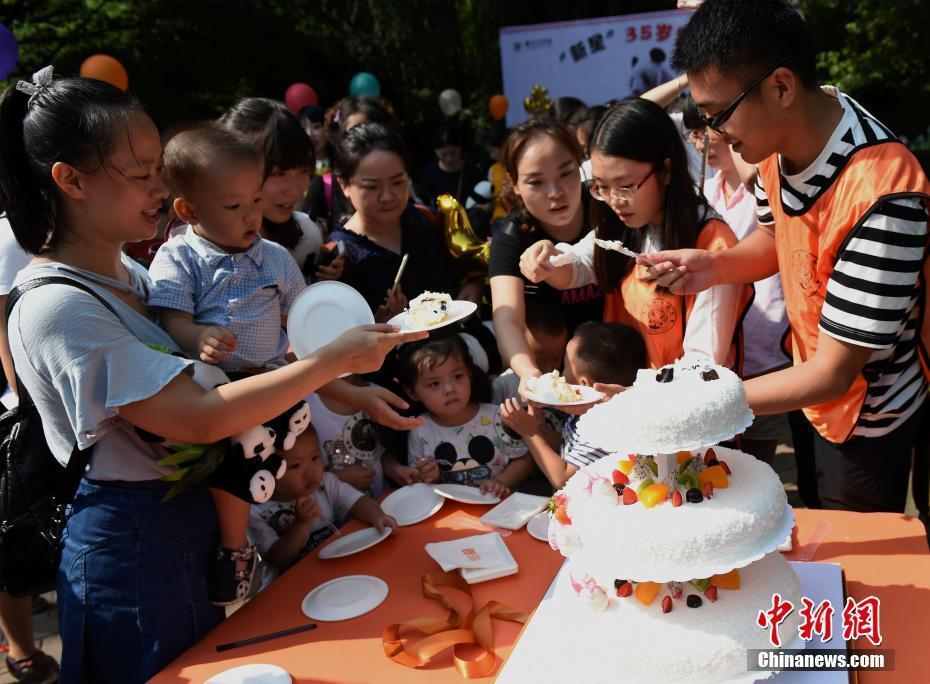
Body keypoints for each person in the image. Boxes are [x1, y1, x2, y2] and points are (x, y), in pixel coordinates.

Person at [0, 67, 424, 681]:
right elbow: (199, 417)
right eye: (141, 171)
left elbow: (254, 373)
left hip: (184, 529)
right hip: (133, 547)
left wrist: (354, 387)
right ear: (70, 180)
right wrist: (330, 359)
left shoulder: (132, 276)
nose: (160, 184)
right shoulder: (56, 305)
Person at [644, 0, 930, 513]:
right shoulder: (778, 143)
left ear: (780, 86)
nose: (715, 135)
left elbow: (836, 372)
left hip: (866, 414)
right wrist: (711, 266)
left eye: (718, 115)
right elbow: (779, 242)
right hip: (804, 388)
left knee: (850, 561)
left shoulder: (887, 194)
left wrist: (701, 403)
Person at [148, 123, 314, 604]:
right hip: (219, 390)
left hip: (271, 379)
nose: (251, 217)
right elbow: (171, 320)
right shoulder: (179, 256)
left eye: (255, 201)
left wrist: (304, 343)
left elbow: (300, 312)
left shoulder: (275, 257)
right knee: (236, 463)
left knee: (266, 446)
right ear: (188, 209)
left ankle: (278, 433)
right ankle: (235, 548)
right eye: (233, 206)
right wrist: (197, 335)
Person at [521, 98, 751, 370]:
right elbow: (579, 265)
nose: (614, 200)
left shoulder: (712, 244)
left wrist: (632, 395)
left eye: (626, 186)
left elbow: (702, 364)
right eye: (602, 187)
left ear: (665, 171)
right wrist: (549, 259)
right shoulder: (623, 226)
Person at [683, 103, 792, 464]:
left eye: (710, 128)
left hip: (769, 352)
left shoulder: (762, 184)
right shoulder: (703, 198)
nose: (703, 142)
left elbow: (757, 184)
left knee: (758, 467)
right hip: (721, 354)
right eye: (695, 133)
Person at [489, 119, 604, 398]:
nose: (555, 192)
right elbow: (507, 319)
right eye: (536, 182)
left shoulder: (607, 205)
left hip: (616, 360)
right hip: (552, 376)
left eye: (566, 173)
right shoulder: (510, 236)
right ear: (515, 185)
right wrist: (529, 372)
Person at [0, 214, 59, 683]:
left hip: (32, 406)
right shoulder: (9, 236)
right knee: (11, 533)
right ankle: (21, 649)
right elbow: (2, 324)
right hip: (16, 415)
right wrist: (24, 399)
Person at [329, 122, 456, 321]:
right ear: (344, 185)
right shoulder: (338, 257)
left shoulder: (427, 221)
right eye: (371, 187)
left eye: (398, 182)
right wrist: (380, 326)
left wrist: (472, 284)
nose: (387, 196)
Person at [501, 322, 646, 489]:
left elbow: (563, 479)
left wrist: (530, 434)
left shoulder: (602, 429)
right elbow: (569, 450)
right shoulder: (582, 410)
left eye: (566, 365)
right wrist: (541, 429)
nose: (561, 371)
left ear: (583, 383)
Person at [248, 426, 396, 585]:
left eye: (314, 458)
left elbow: (358, 502)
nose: (310, 472)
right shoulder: (255, 510)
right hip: (294, 586)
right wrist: (300, 525)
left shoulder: (325, 483)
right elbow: (277, 558)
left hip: (337, 569)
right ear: (265, 473)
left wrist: (378, 516)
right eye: (295, 466)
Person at [221, 98, 340, 283]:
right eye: (278, 173)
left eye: (303, 171)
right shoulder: (196, 250)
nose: (295, 189)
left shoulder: (307, 236)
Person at [400, 334, 533, 497]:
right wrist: (426, 476)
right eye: (434, 383)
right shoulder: (419, 430)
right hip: (449, 517)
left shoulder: (497, 417)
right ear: (412, 392)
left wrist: (501, 482)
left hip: (498, 511)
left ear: (469, 373)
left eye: (458, 376)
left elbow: (523, 459)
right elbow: (416, 481)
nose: (449, 389)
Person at [302, 95, 398, 231]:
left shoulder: (404, 187)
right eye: (356, 132)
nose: (386, 197)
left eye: (397, 182)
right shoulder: (322, 187)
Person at [306, 373, 390, 498]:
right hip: (340, 512)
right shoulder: (307, 406)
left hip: (386, 500)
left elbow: (383, 453)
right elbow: (302, 470)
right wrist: (338, 478)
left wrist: (395, 468)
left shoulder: (379, 395)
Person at [419, 123, 484, 209]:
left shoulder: (473, 171)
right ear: (435, 151)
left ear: (460, 148)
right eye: (443, 154)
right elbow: (424, 202)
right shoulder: (430, 173)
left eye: (453, 153)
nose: (449, 159)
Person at [298, 104, 331, 176]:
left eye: (316, 127)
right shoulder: (297, 167)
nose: (309, 134)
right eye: (304, 128)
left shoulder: (341, 162)